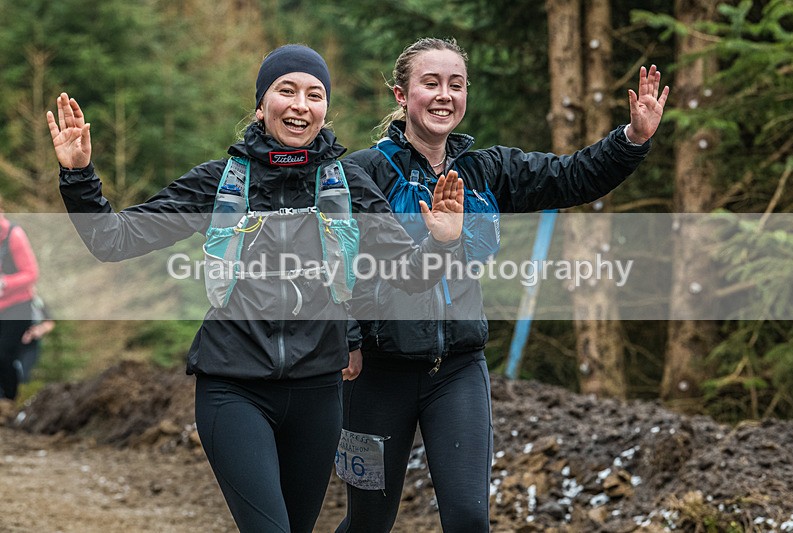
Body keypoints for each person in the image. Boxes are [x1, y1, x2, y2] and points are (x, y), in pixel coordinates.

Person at [47, 44, 464, 533]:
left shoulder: (347, 183)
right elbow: (112, 240)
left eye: (314, 94)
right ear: (262, 103)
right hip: (233, 386)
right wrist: (78, 176)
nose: (300, 105)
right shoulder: (220, 182)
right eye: (285, 90)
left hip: (318, 392)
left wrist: (442, 243)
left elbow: (412, 276)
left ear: (326, 107)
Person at [337, 37, 669, 532]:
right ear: (401, 95)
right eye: (430, 83)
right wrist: (348, 338)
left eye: (456, 84)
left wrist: (631, 140)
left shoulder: (485, 171)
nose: (444, 94)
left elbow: (568, 177)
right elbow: (338, 265)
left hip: (458, 371)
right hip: (377, 376)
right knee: (368, 524)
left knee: (470, 519)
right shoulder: (361, 174)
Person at [0, 200, 40, 401]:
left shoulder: (14, 235)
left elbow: (31, 273)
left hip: (18, 305)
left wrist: (5, 283)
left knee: (4, 354)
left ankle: (9, 402)